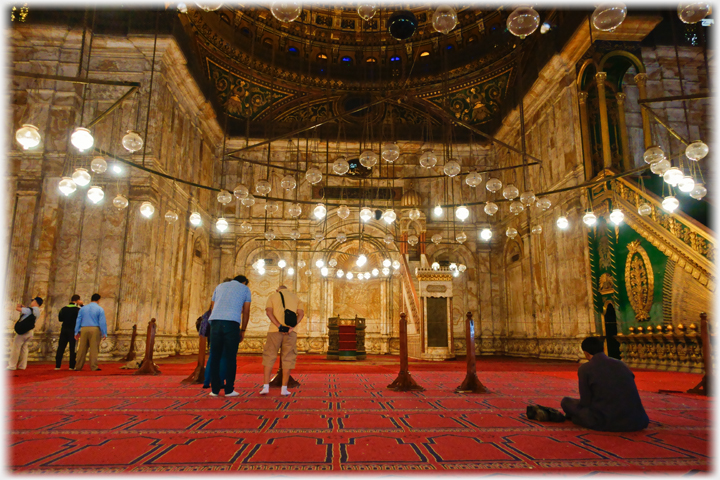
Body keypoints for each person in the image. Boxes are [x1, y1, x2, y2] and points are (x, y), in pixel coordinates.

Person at [561, 336, 649, 432]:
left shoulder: (585, 369)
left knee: (566, 402)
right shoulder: (621, 364)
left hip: (607, 421)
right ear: (603, 349)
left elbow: (585, 402)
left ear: (586, 353)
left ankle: (576, 418)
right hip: (637, 420)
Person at [207, 275, 251, 397]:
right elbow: (246, 311)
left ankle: (214, 390)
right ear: (244, 282)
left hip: (215, 322)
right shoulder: (245, 289)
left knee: (215, 356)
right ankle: (229, 390)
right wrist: (243, 330)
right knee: (231, 357)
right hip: (231, 323)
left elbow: (212, 306)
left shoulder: (219, 286)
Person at [260, 285, 304, 396]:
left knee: (269, 356)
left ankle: (265, 386)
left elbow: (269, 312)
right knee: (288, 358)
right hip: (291, 332)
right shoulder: (295, 297)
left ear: (277, 290)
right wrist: (292, 327)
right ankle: (284, 388)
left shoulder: (273, 296)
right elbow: (301, 314)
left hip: (274, 331)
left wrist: (279, 325)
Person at [8, 297, 43, 371]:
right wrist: (26, 308)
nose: (31, 301)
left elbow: (18, 309)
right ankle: (22, 366)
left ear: (36, 302)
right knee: (24, 348)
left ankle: (12, 365)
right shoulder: (38, 311)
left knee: (16, 348)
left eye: (32, 300)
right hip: (30, 331)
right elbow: (29, 312)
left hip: (23, 332)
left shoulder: (30, 310)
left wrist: (18, 305)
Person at [74, 293, 107, 371]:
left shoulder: (83, 309)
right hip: (95, 329)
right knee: (94, 349)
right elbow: (102, 322)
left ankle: (78, 366)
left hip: (84, 329)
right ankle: (93, 366)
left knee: (82, 349)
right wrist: (104, 332)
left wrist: (76, 331)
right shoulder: (99, 309)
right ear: (98, 300)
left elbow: (78, 320)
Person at [55, 294, 83, 370]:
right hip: (73, 330)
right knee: (72, 348)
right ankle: (71, 366)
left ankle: (57, 365)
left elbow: (60, 319)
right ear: (77, 301)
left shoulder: (63, 309)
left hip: (64, 329)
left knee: (61, 347)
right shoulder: (78, 310)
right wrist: (81, 305)